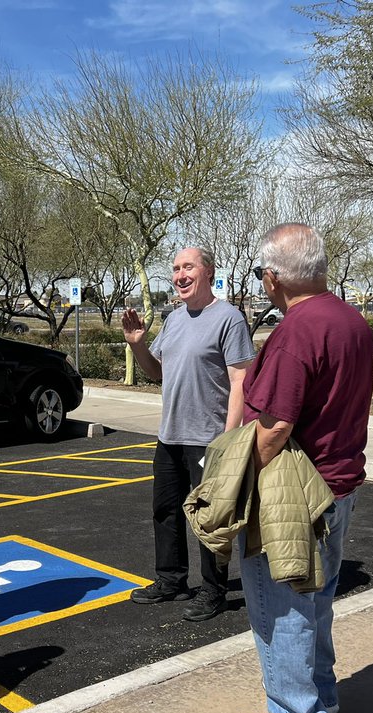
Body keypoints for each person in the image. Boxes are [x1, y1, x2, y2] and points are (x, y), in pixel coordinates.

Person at [236, 223, 373, 713]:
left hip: (296, 494)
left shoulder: (297, 331)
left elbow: (273, 426)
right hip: (340, 486)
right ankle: (321, 694)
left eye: (261, 274)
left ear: (273, 276)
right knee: (316, 601)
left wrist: (239, 485)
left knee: (283, 607)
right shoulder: (350, 320)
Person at [121, 247, 255, 621]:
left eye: (188, 267)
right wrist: (137, 344)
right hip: (171, 436)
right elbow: (157, 372)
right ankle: (171, 580)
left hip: (208, 438)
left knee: (209, 518)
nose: (180, 275)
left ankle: (214, 590)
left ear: (208, 272)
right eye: (176, 268)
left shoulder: (228, 318)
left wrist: (228, 441)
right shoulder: (175, 319)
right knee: (165, 510)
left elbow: (240, 380)